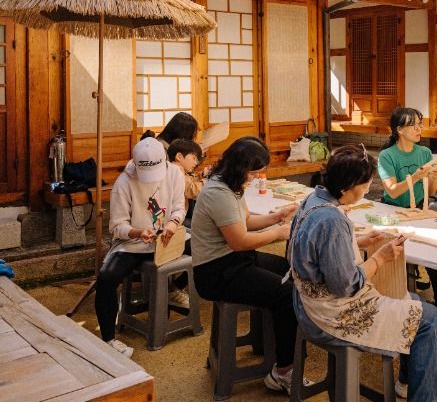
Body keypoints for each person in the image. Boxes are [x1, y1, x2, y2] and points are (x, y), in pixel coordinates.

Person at [289, 145, 437, 402]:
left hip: (305, 302)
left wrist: (357, 240)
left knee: (415, 301)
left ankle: (410, 381)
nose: (366, 191)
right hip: (331, 313)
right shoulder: (331, 220)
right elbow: (346, 285)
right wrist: (379, 257)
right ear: (346, 188)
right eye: (364, 187)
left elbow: (319, 252)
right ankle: (422, 392)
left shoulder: (314, 199)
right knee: (429, 317)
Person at [190, 137, 305, 394]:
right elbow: (239, 241)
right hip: (217, 272)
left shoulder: (229, 185)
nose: (255, 177)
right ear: (241, 167)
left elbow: (245, 220)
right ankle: (284, 371)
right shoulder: (218, 193)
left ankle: (271, 345)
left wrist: (275, 217)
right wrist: (278, 233)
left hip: (232, 261)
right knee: (287, 294)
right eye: (253, 172)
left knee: (288, 270)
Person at [95, 137, 186, 357]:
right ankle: (108, 339)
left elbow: (179, 207)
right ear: (135, 165)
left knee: (205, 250)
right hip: (133, 243)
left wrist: (173, 223)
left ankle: (174, 290)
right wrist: (138, 232)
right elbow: (117, 227)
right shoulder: (123, 183)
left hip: (168, 238)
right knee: (106, 278)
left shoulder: (175, 173)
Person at [377, 107, 437, 316]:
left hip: (419, 209)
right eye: (414, 125)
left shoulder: (424, 152)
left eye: (420, 125)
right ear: (399, 130)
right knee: (403, 253)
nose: (419, 129)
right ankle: (405, 300)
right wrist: (417, 176)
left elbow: (431, 191)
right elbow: (392, 190)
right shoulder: (387, 156)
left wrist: (434, 177)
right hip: (394, 212)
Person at [167, 138, 204, 223]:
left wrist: (201, 175)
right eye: (194, 158)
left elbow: (189, 181)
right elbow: (190, 190)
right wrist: (206, 182)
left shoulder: (178, 169)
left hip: (175, 216)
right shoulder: (176, 171)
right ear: (179, 157)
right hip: (173, 218)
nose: (196, 163)